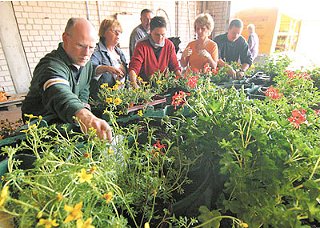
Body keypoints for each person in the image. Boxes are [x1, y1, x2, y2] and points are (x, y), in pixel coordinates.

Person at [21, 18, 112, 141]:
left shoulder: (86, 63)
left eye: (91, 47)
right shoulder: (51, 65)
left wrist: (84, 108)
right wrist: (84, 116)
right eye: (80, 45)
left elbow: (84, 89)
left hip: (66, 118)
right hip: (41, 125)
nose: (86, 53)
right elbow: (57, 90)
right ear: (65, 38)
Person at [129, 16, 181, 89]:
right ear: (150, 31)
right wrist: (134, 83)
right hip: (144, 86)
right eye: (157, 34)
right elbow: (134, 67)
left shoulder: (169, 45)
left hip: (162, 85)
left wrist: (180, 80)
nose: (160, 38)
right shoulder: (141, 45)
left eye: (163, 35)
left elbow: (175, 67)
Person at [90, 19, 128, 100]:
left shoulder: (119, 52)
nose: (118, 34)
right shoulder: (96, 51)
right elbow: (91, 68)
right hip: (103, 100)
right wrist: (106, 68)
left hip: (121, 97)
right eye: (114, 31)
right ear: (104, 33)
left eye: (119, 31)